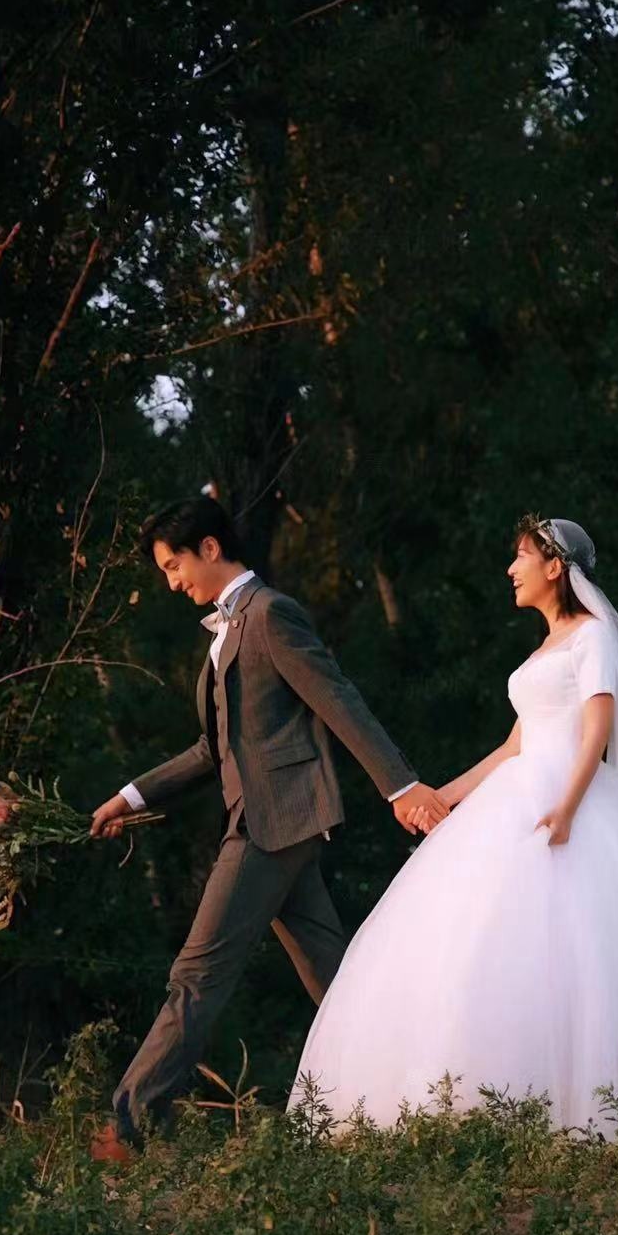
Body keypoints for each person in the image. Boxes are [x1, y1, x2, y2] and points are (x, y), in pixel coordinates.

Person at [285, 514, 618, 1138]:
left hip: (573, 801)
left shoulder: (593, 638)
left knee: (589, 946)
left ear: (554, 567)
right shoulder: (543, 650)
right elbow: (515, 745)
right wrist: (445, 798)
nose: (510, 570)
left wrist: (568, 806)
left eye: (521, 557)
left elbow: (597, 730)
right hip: (520, 793)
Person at [88, 496, 446, 1160]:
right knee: (335, 980)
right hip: (274, 825)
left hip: (270, 826)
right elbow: (211, 749)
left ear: (210, 548)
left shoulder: (270, 614)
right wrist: (130, 796)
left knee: (196, 973)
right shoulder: (225, 631)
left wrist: (400, 786)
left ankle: (128, 1128)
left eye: (173, 566)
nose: (172, 583)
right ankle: (424, 1092)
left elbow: (338, 700)